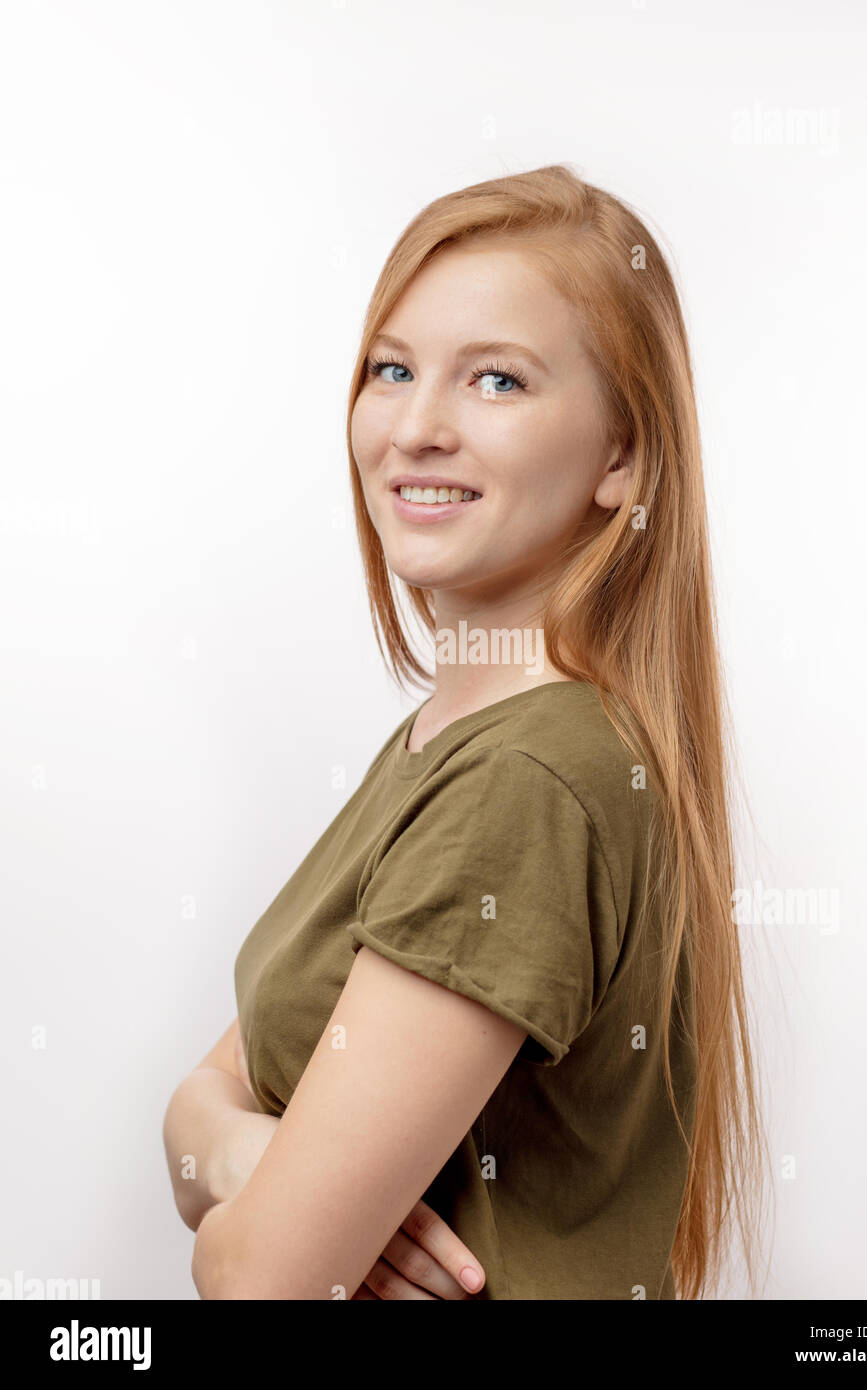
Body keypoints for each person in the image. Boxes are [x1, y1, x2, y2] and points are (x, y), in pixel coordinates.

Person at [163, 163, 769, 1300]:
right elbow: (200, 1100)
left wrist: (239, 1202)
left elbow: (261, 1285)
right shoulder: (449, 746)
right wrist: (246, 1151)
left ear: (620, 460)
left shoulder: (523, 780)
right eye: (389, 369)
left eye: (495, 379)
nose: (416, 426)